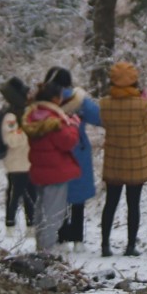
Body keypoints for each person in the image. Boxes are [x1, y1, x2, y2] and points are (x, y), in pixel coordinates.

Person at [96, 60, 147, 257]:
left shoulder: (104, 104)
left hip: (114, 159)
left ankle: (105, 245)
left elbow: (104, 123)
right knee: (134, 204)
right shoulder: (141, 105)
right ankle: (130, 246)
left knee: (111, 203)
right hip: (136, 161)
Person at [21, 79, 82, 256]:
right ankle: (47, 249)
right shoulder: (53, 119)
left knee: (41, 208)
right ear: (55, 99)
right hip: (56, 170)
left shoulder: (34, 115)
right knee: (53, 211)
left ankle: (42, 244)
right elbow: (67, 141)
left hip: (40, 168)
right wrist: (74, 126)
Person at [44, 65, 100, 247]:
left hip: (54, 151)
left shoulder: (46, 100)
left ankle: (60, 236)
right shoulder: (80, 100)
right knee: (78, 195)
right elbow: (100, 117)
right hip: (78, 150)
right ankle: (77, 239)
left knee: (57, 195)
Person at [0, 77, 37, 237]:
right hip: (16, 164)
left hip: (28, 162)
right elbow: (11, 140)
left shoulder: (24, 113)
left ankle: (31, 226)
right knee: (15, 195)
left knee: (31, 196)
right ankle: (10, 225)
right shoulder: (10, 118)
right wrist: (27, 131)